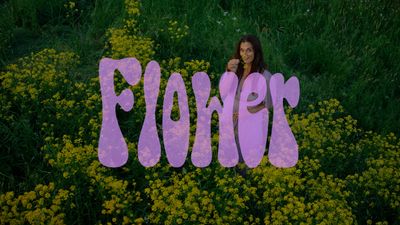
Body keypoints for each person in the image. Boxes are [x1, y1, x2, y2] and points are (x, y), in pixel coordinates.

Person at [225, 34, 273, 168]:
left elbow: (267, 105)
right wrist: (229, 72)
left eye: (249, 50)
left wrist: (247, 113)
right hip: (231, 122)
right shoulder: (238, 70)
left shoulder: (265, 77)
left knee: (245, 162)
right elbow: (226, 92)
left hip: (251, 125)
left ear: (256, 52)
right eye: (241, 50)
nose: (245, 54)